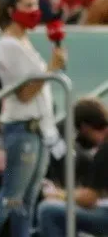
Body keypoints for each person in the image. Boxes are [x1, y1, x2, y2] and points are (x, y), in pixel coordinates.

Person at [0, 0, 67, 237]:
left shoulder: (23, 41)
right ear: (11, 10)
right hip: (22, 127)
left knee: (26, 202)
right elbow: (24, 92)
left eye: (36, 5)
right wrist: (51, 69)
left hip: (38, 128)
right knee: (11, 198)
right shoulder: (8, 44)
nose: (35, 11)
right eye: (28, 6)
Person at [37, 98, 108, 236]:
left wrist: (56, 194)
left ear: (84, 127)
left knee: (48, 209)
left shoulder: (104, 150)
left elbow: (89, 199)